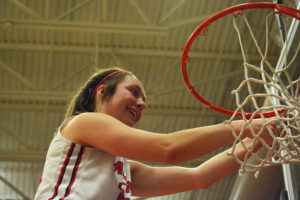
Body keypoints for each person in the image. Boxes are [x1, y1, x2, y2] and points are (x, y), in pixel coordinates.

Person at [34, 67, 277, 200]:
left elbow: (200, 177)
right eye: (133, 92)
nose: (141, 103)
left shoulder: (122, 169)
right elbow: (168, 149)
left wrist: (256, 140)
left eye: (143, 99)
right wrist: (247, 125)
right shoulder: (83, 123)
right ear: (102, 92)